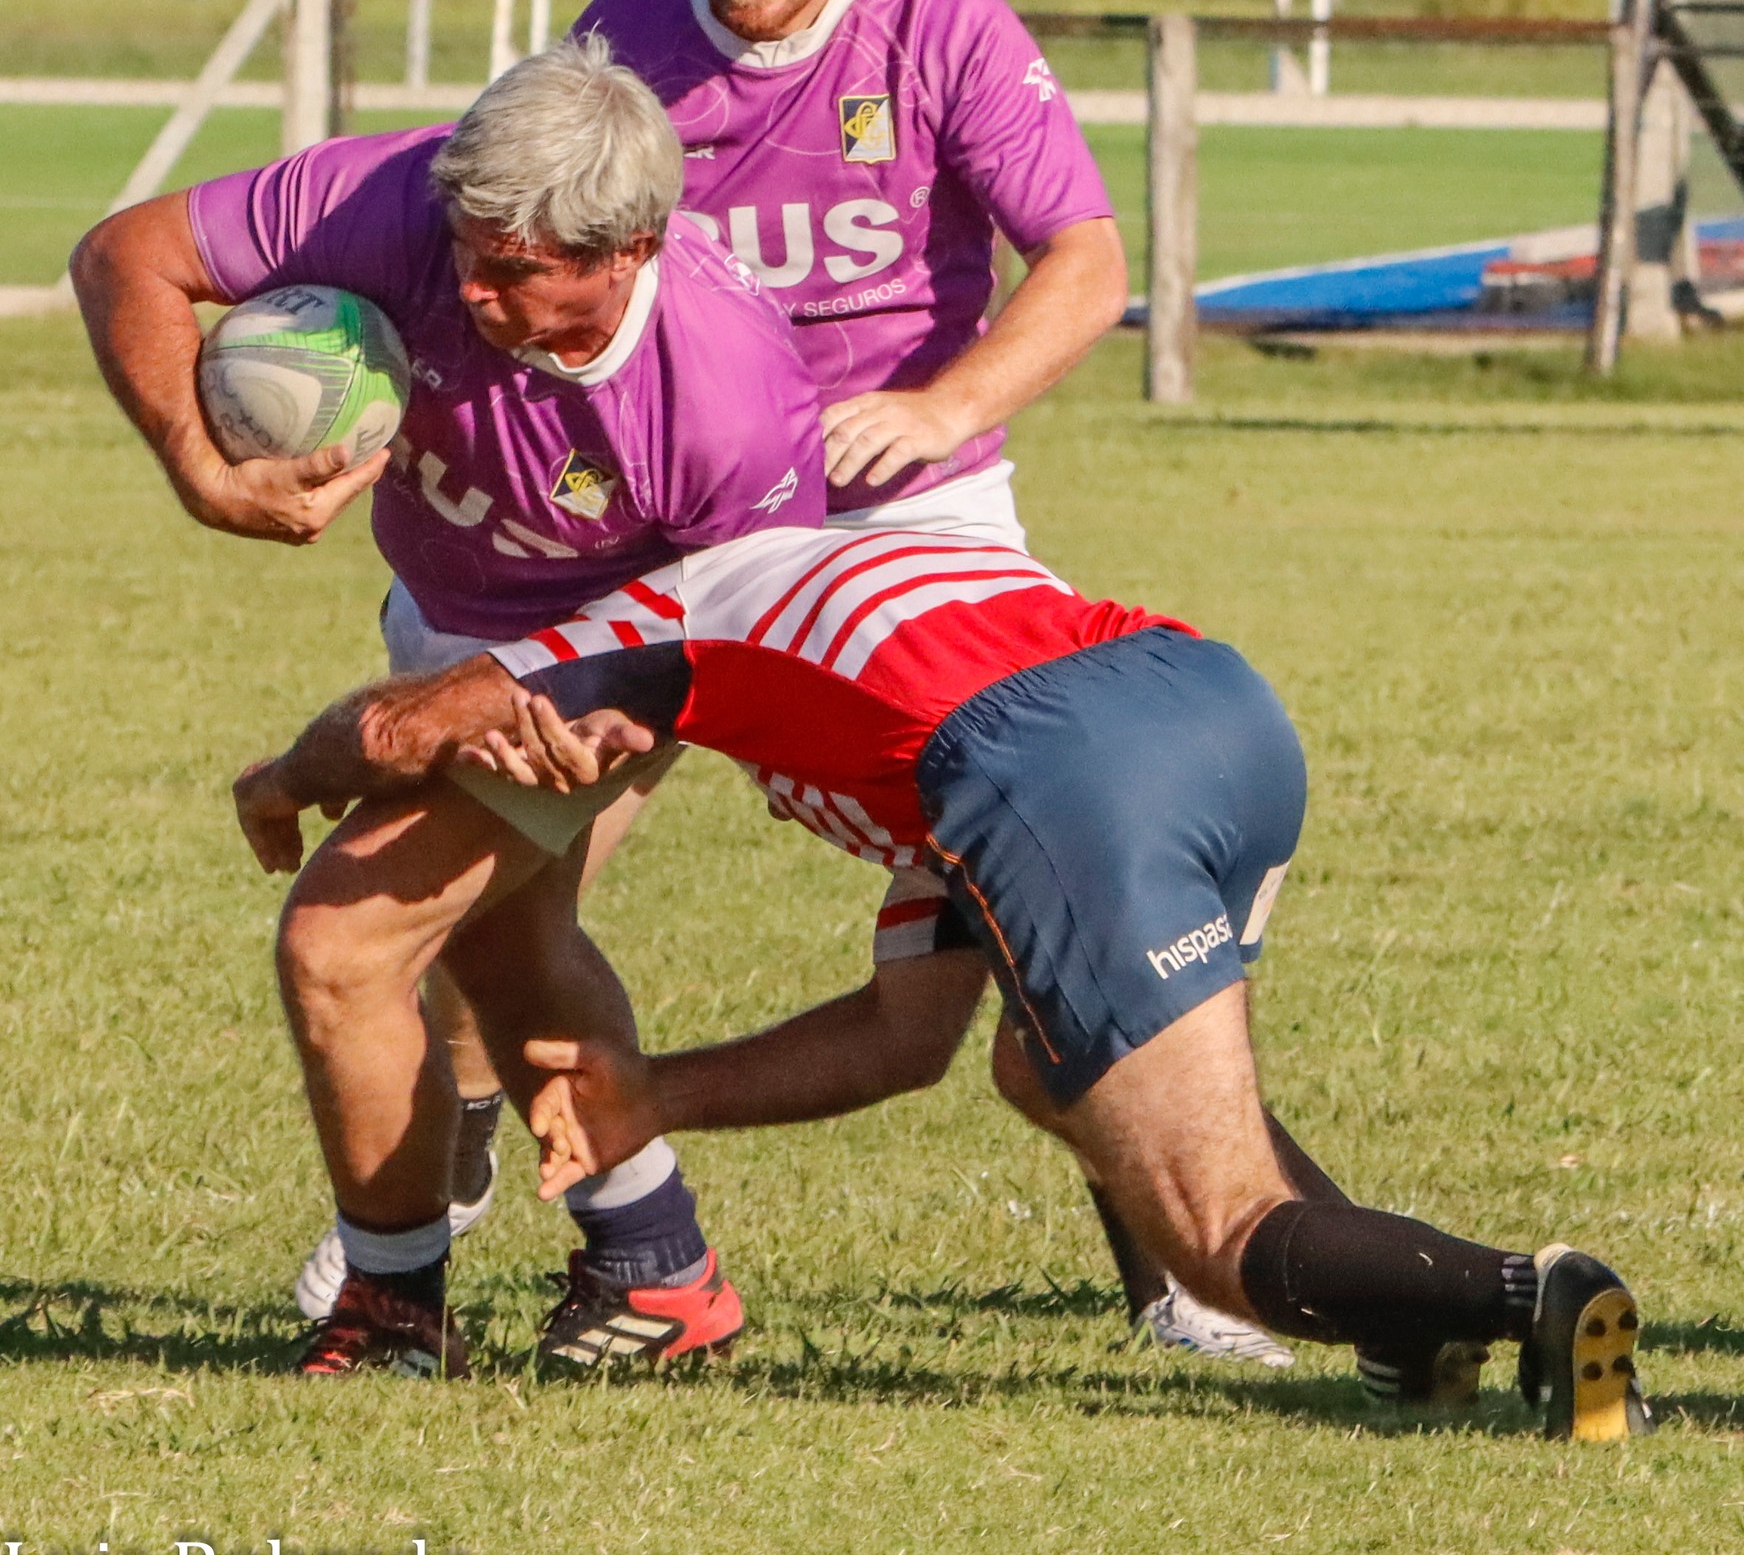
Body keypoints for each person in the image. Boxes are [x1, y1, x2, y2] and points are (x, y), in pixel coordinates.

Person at [236, 524, 1653, 1442]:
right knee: (1050, 1069)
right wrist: (647, 1098)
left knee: (1214, 1227)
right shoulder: (883, 633)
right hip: (1214, 705)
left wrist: (287, 777)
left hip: (1053, 761)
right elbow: (905, 1039)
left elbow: (407, 719)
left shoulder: (667, 615)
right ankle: (1414, 1331)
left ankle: (1534, 1292)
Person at [569, 0, 1270, 1359]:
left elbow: (1085, 263)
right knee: (526, 839)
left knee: (1030, 915)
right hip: (690, 525)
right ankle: (433, 1213)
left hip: (916, 520)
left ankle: (1184, 1267)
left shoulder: (938, 19)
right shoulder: (616, 45)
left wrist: (946, 408)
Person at [70, 36, 826, 1370]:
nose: (463, 288)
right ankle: (658, 1273)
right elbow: (124, 253)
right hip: (439, 617)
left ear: (629, 247)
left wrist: (578, 706)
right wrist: (199, 465)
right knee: (509, 945)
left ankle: (393, 1310)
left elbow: (753, 615)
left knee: (343, 938)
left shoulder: (731, 396)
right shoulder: (398, 199)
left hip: (617, 651)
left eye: (513, 270)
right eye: (463, 247)